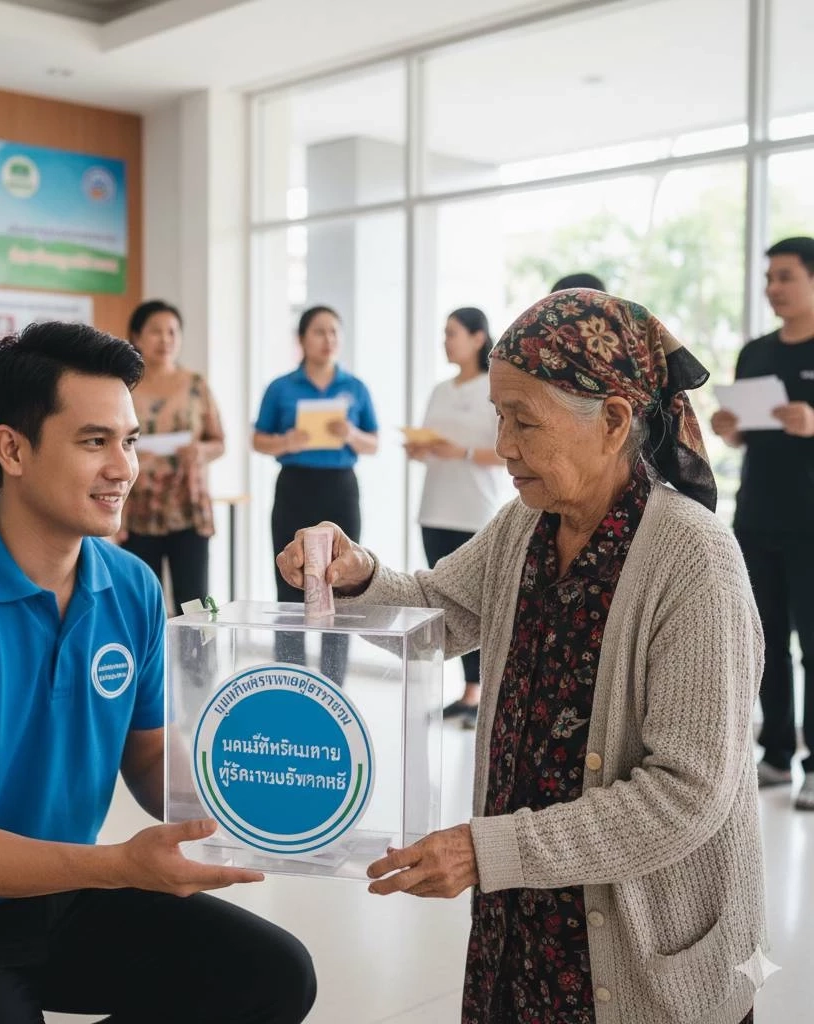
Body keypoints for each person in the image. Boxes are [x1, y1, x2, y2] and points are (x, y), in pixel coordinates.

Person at [278, 290, 768, 1024]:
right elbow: (441, 609)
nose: (502, 445)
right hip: (525, 923)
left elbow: (686, 795)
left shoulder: (694, 562)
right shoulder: (526, 525)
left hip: (640, 958)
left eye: (522, 421)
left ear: (611, 423)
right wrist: (361, 575)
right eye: (498, 417)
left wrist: (487, 852)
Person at [0, 322, 317, 1024]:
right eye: (95, 442)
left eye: (129, 441)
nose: (125, 468)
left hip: (59, 898)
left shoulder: (130, 587)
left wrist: (276, 796)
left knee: (274, 975)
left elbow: (151, 756)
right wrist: (119, 865)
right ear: (12, 448)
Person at [711, 235, 814, 811]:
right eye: (769, 278)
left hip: (811, 522)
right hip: (757, 516)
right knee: (763, 640)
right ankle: (775, 754)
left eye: (785, 277)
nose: (773, 288)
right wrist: (731, 427)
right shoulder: (755, 352)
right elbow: (742, 432)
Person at [253, 305, 379, 685]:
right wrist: (287, 441)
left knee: (338, 581)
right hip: (295, 485)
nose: (329, 340)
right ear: (303, 339)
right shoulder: (281, 387)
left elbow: (373, 443)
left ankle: (332, 682)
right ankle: (289, 677)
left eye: (334, 332)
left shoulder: (355, 387)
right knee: (289, 579)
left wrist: (351, 434)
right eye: (320, 332)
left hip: (340, 487)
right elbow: (258, 439)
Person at [406, 307, 512, 728]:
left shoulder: (495, 388)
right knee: (446, 601)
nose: (445, 340)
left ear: (477, 337)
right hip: (435, 508)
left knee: (480, 605)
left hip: (475, 511)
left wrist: (463, 452)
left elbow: (506, 451)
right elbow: (430, 440)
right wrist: (421, 449)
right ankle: (467, 692)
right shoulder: (439, 390)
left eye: (452, 332)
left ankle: (484, 693)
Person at [120, 300, 225, 612]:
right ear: (137, 336)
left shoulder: (196, 385)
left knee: (194, 603)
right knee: (141, 601)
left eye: (172, 332)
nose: (165, 339)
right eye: (155, 331)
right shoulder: (124, 387)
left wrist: (200, 450)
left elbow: (219, 442)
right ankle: (149, 662)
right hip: (138, 507)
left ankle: (197, 662)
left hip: (187, 507)